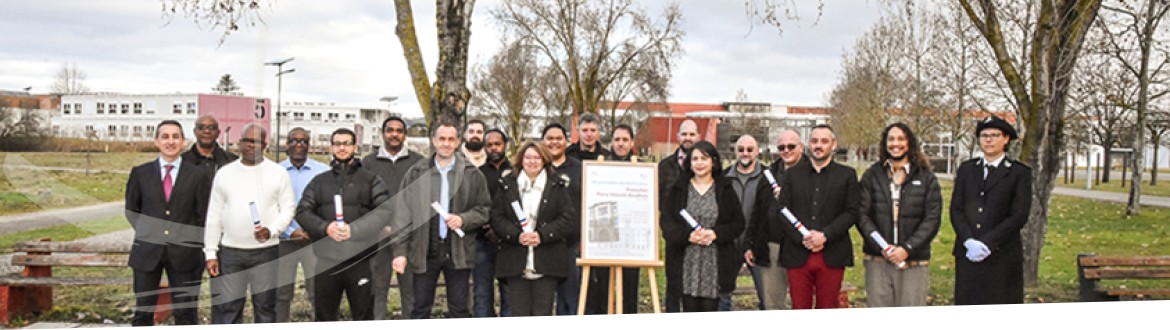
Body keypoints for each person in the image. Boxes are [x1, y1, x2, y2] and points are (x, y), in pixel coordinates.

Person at [390, 121, 492, 319]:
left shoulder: (472, 174)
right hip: (424, 249)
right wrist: (400, 251)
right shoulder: (417, 172)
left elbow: (484, 210)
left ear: (457, 142)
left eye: (451, 139)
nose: (446, 143)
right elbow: (402, 215)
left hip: (459, 250)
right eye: (442, 139)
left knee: (460, 309)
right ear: (434, 141)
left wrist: (463, 219)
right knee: (419, 308)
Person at [296, 128, 392, 321]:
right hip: (326, 261)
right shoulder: (319, 181)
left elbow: (384, 211)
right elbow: (302, 211)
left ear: (355, 147)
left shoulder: (370, 180)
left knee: (363, 315)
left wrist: (354, 230)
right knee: (324, 316)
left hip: (361, 261)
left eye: (346, 143)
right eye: (337, 144)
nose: (342, 148)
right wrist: (326, 228)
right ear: (331, 147)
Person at [204, 124, 296, 324]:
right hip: (230, 252)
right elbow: (214, 214)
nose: (251, 145)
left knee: (265, 307)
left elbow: (288, 208)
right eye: (246, 140)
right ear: (239, 143)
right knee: (227, 308)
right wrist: (211, 252)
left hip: (266, 252)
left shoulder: (278, 173)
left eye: (256, 141)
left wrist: (272, 230)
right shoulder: (225, 173)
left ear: (265, 144)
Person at [124, 120, 213, 326]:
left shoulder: (199, 175)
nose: (170, 142)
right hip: (147, 252)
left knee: (186, 314)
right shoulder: (140, 173)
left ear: (183, 142)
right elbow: (132, 211)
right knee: (143, 312)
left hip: (186, 254)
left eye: (175, 137)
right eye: (165, 137)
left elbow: (203, 215)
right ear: (156, 141)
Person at [857, 123, 942, 307]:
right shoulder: (872, 175)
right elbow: (862, 216)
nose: (896, 144)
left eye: (901, 139)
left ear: (909, 143)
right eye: (891, 139)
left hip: (914, 261)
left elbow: (932, 219)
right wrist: (883, 247)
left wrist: (907, 248)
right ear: (885, 144)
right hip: (878, 260)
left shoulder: (927, 178)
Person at [491, 142, 579, 316]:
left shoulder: (558, 185)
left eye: (537, 157)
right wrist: (516, 236)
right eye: (528, 157)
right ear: (521, 159)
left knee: (542, 313)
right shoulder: (507, 184)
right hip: (515, 258)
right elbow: (496, 217)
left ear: (544, 159)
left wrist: (542, 235)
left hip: (547, 260)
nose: (533, 161)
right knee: (519, 314)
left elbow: (567, 218)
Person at [776, 124, 859, 309]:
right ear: (808, 144)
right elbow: (782, 210)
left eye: (824, 141)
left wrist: (825, 235)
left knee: (827, 307)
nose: (818, 145)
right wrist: (803, 237)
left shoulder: (847, 175)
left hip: (832, 253)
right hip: (798, 253)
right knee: (799, 308)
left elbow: (852, 212)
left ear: (834, 144)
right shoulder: (792, 175)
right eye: (814, 141)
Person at [951, 115, 1032, 305]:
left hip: (1001, 255)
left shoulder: (1018, 173)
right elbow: (956, 209)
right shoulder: (967, 170)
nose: (988, 139)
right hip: (968, 253)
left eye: (994, 135)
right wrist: (969, 241)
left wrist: (988, 243)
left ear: (1006, 139)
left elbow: (1019, 215)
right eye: (984, 135)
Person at [661, 140, 745, 312]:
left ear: (713, 161)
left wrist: (716, 234)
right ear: (689, 163)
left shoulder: (725, 188)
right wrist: (687, 236)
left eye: (704, 158)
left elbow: (738, 223)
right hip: (686, 262)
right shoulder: (679, 189)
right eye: (695, 159)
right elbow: (667, 224)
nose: (699, 163)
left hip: (714, 262)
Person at [362, 116, 424, 320]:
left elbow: (422, 199)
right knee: (377, 290)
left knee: (410, 291)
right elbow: (363, 199)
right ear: (383, 133)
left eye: (399, 130)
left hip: (408, 237)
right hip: (378, 237)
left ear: (405, 135)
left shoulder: (418, 162)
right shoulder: (368, 163)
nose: (394, 134)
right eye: (390, 130)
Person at [744, 129, 807, 310]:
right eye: (781, 147)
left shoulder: (812, 173)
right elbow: (758, 211)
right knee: (772, 303)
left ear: (801, 147)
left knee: (802, 302)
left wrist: (791, 196)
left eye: (791, 146)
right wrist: (750, 243)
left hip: (801, 246)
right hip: (772, 244)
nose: (786, 150)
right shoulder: (769, 174)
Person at [584, 124, 640, 314]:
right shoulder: (601, 167)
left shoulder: (642, 168)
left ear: (632, 142)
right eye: (617, 140)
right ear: (611, 142)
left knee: (630, 290)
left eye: (625, 140)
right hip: (605, 239)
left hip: (631, 239)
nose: (621, 144)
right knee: (603, 289)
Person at [275, 127, 328, 322]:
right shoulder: (275, 171)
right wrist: (291, 231)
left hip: (314, 241)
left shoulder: (322, 171)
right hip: (284, 240)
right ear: (286, 145)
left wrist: (313, 228)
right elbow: (271, 207)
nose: (299, 144)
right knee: (281, 293)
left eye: (303, 141)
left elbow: (325, 205)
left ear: (309, 144)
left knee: (318, 291)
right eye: (294, 141)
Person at [540, 123, 583, 315]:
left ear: (566, 141)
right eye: (550, 138)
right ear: (543, 141)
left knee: (570, 302)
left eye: (558, 138)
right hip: (541, 245)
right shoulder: (535, 166)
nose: (554, 142)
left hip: (570, 246)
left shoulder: (579, 169)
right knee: (543, 302)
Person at [657, 119, 700, 313]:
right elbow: (657, 200)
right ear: (677, 137)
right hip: (673, 235)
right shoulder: (664, 167)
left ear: (698, 137)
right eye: (684, 134)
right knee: (673, 286)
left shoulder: (705, 166)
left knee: (696, 288)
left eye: (692, 134)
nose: (688, 138)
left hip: (700, 237)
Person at [720, 134, 767, 311]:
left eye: (750, 149)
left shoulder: (767, 177)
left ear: (757, 151)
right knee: (723, 297)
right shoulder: (723, 178)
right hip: (729, 245)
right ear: (735, 151)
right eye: (741, 149)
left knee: (766, 297)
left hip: (757, 245)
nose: (745, 153)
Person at [473, 128, 512, 317]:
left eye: (498, 144)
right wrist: (487, 227)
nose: (494, 148)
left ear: (505, 145)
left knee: (509, 294)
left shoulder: (516, 173)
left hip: (510, 242)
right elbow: (474, 204)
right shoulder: (477, 174)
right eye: (489, 145)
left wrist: (502, 230)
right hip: (483, 241)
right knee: (482, 293)